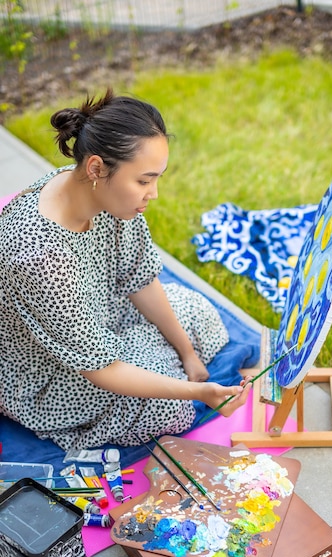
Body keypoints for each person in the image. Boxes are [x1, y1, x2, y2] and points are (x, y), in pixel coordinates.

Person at [0, 88, 252, 452]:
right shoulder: (37, 254)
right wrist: (198, 391)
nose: (154, 193)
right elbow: (99, 369)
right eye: (144, 180)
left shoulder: (105, 196)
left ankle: (158, 358)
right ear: (97, 168)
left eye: (156, 179)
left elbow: (139, 278)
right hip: (44, 368)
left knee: (200, 317)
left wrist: (187, 353)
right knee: (169, 409)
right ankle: (154, 368)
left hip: (98, 312)